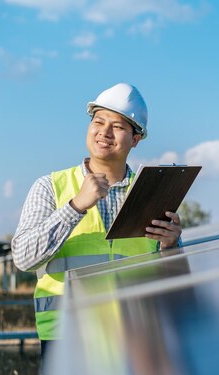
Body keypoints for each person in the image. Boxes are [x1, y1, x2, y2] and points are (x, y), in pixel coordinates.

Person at [11, 83, 182, 359]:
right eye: (99, 121)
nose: (105, 132)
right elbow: (23, 258)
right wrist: (76, 206)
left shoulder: (151, 193)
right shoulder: (50, 187)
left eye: (118, 126)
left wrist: (171, 246)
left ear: (136, 139)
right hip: (68, 335)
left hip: (136, 335)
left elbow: (175, 279)